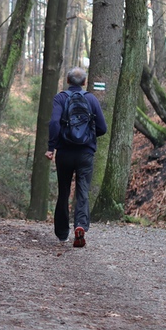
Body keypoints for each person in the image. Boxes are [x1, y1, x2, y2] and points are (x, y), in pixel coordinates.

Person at [45, 67, 107, 247]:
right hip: (85, 153)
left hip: (64, 152)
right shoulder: (91, 99)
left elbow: (54, 123)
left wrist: (51, 147)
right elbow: (102, 128)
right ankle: (80, 225)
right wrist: (88, 137)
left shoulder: (60, 98)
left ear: (67, 80)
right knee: (83, 191)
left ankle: (62, 234)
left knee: (63, 192)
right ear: (85, 82)